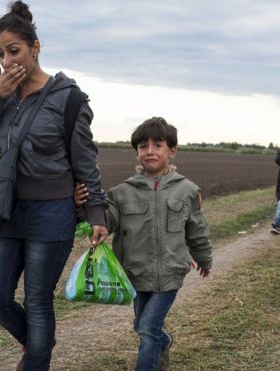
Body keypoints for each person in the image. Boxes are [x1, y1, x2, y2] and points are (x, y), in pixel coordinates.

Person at [0, 2, 108, 369]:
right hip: (4, 211)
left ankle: (36, 358)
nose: (8, 59)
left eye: (15, 50)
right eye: (0, 53)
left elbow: (85, 161)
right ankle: (40, 345)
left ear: (35, 47)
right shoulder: (2, 96)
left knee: (38, 300)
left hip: (51, 212)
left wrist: (95, 212)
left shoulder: (69, 98)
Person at [102, 117, 213, 371]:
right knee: (141, 326)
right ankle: (166, 340)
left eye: (158, 145)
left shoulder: (187, 190)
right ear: (136, 152)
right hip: (135, 272)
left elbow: (197, 230)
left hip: (171, 274)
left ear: (172, 151)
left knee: (148, 329)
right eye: (143, 146)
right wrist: (83, 206)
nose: (150, 151)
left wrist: (204, 258)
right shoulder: (121, 193)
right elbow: (105, 223)